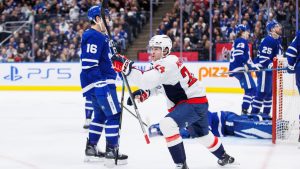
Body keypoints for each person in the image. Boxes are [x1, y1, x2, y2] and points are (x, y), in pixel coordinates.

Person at [111, 35, 236, 169]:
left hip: (192, 103)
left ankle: (181, 165)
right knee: (202, 135)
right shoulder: (166, 63)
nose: (152, 52)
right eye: (152, 48)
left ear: (165, 50)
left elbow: (145, 80)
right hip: (196, 103)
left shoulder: (168, 63)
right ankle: (224, 157)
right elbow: (159, 86)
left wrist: (127, 66)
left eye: (157, 49)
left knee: (167, 124)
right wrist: (145, 93)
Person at [80, 5, 127, 165]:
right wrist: (100, 84)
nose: (109, 21)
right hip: (102, 85)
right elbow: (89, 64)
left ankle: (91, 148)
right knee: (114, 115)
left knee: (100, 116)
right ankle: (111, 151)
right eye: (106, 17)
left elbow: (107, 60)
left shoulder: (101, 37)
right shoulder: (94, 36)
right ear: (98, 19)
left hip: (100, 84)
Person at [149, 110, 273, 139]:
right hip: (227, 125)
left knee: (249, 127)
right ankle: (268, 119)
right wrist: (160, 128)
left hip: (227, 122)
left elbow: (203, 130)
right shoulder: (184, 119)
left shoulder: (197, 111)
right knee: (247, 123)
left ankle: (273, 128)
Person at [251, 20, 283, 116]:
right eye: (277, 26)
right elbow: (263, 59)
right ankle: (253, 114)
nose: (280, 28)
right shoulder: (268, 40)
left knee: (269, 94)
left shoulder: (277, 40)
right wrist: (273, 65)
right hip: (264, 71)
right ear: (272, 29)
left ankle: (265, 114)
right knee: (262, 93)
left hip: (271, 72)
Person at [229, 24, 258, 115]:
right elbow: (238, 55)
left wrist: (253, 66)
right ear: (241, 32)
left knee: (252, 88)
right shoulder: (241, 40)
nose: (248, 33)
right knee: (251, 89)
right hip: (240, 68)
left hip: (239, 68)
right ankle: (245, 110)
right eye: (246, 31)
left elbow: (244, 57)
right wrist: (244, 64)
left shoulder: (238, 41)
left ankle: (254, 109)